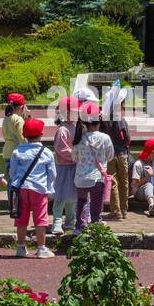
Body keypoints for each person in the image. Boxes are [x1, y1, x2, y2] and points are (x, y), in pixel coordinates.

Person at [8, 118, 56, 259]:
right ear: (41, 134)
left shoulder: (18, 150)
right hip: (39, 188)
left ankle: (21, 247)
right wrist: (49, 187)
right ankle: (41, 248)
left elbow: (12, 171)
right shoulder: (46, 152)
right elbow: (52, 173)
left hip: (21, 188)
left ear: (24, 134)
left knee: (21, 218)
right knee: (40, 219)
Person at [73, 102, 114, 233]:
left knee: (81, 201)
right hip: (97, 177)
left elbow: (74, 158)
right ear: (99, 120)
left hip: (80, 177)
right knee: (96, 204)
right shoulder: (105, 138)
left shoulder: (79, 138)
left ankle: (80, 226)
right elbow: (110, 156)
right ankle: (95, 225)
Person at [101, 87, 132, 219]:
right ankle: (124, 209)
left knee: (112, 180)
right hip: (123, 153)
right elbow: (128, 138)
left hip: (110, 153)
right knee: (124, 181)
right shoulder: (122, 120)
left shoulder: (105, 118)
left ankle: (116, 210)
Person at [50, 98, 78, 235]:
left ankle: (70, 221)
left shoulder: (75, 127)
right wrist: (76, 156)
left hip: (74, 166)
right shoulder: (62, 130)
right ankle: (57, 221)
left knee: (73, 196)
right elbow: (61, 149)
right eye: (74, 110)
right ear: (66, 112)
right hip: (63, 166)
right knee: (60, 195)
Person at [2, 93, 26, 172]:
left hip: (7, 152)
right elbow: (22, 137)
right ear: (21, 107)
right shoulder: (19, 120)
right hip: (17, 153)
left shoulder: (6, 117)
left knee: (11, 179)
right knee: (18, 180)